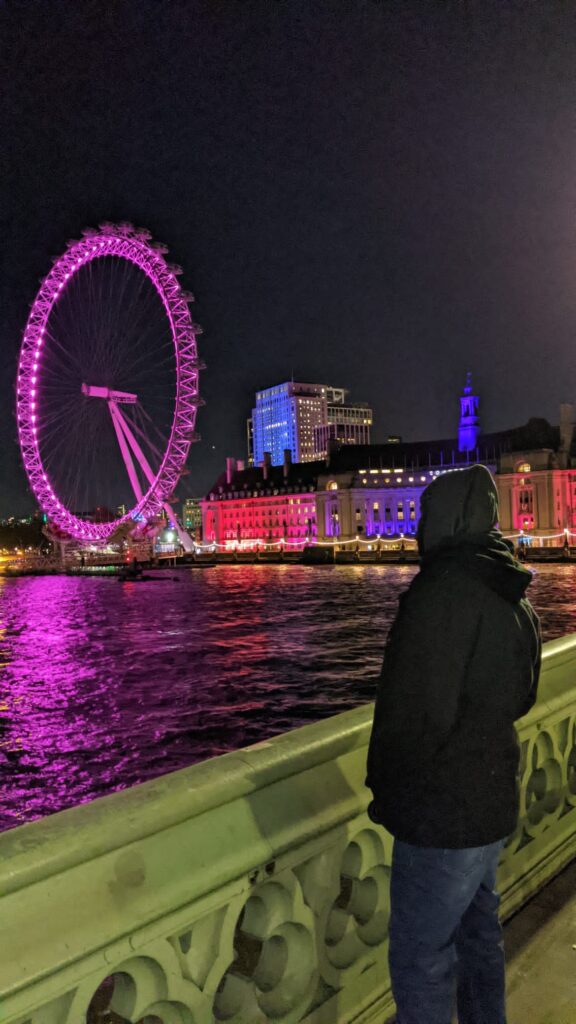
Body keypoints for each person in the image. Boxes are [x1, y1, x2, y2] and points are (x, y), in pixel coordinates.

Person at [366, 464, 541, 1024]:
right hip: (492, 796)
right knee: (478, 937)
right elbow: (523, 695)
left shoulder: (440, 594)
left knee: (421, 958)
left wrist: (388, 790)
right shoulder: (511, 587)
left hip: (440, 811)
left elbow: (416, 715)